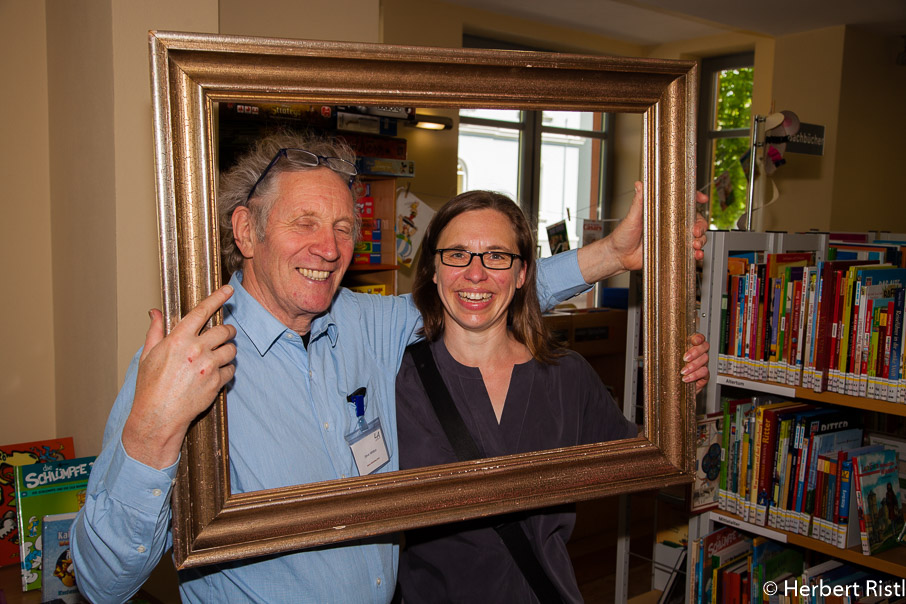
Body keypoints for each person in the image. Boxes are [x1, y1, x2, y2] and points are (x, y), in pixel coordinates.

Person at [70, 131, 709, 604]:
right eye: (306, 223)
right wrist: (149, 435)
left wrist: (612, 256)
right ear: (245, 230)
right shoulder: (186, 362)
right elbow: (102, 581)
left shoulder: (363, 323)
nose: (329, 248)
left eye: (345, 226)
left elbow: (474, 292)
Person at [395, 191, 678, 603]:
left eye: (496, 256)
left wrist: (680, 388)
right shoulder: (394, 379)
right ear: (433, 270)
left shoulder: (566, 376)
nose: (475, 274)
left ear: (523, 273)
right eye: (457, 254)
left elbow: (649, 463)